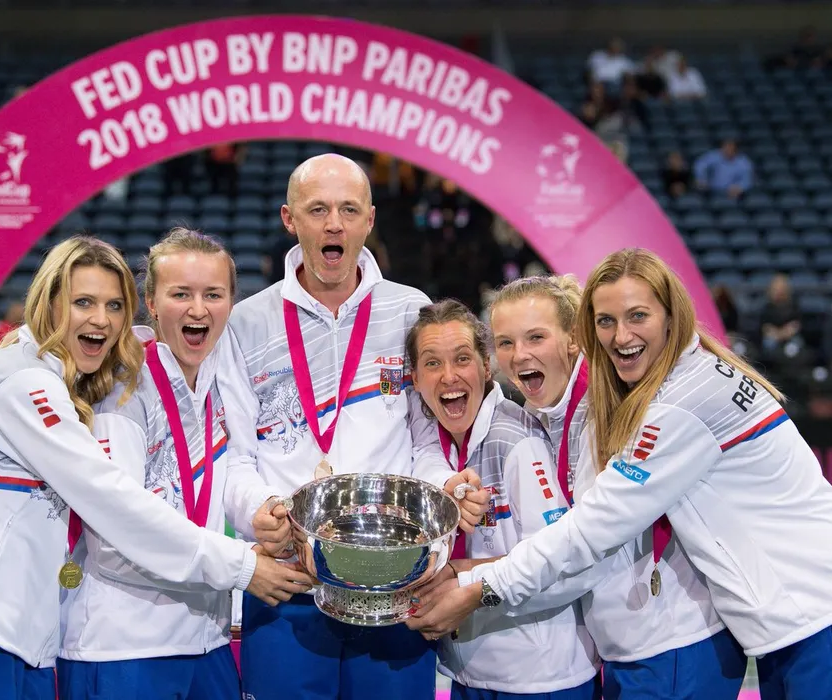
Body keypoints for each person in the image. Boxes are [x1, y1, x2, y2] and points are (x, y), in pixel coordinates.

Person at [0, 236, 305, 700]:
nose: (101, 319)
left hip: (19, 638)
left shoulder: (69, 382)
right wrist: (241, 566)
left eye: (113, 306)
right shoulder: (25, 382)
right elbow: (112, 503)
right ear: (50, 302)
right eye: (83, 302)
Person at [419, 249, 832, 700]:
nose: (621, 336)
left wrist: (473, 586)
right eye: (607, 321)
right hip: (769, 627)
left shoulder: (666, 407)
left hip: (717, 635)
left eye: (638, 316)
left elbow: (589, 536)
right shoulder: (602, 400)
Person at [215, 153, 488, 700]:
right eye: (317, 210)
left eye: (348, 210)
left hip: (395, 584)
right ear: (290, 219)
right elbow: (235, 455)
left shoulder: (408, 310)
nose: (334, 224)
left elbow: (424, 439)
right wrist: (258, 509)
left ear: (370, 219)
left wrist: (445, 487)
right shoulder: (246, 323)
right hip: (290, 582)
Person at [57, 230, 314, 700]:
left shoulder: (222, 381)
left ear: (231, 303)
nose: (198, 309)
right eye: (181, 294)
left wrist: (260, 510)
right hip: (123, 646)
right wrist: (241, 566)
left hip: (206, 640)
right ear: (151, 304)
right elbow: (117, 535)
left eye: (213, 295)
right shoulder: (122, 390)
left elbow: (229, 471)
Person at [405, 299, 600, 700]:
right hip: (471, 670)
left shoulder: (518, 442)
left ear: (485, 367)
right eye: (432, 363)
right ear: (415, 379)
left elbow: (563, 566)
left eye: (462, 359)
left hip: (539, 677)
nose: (448, 376)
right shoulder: (435, 446)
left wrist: (461, 577)